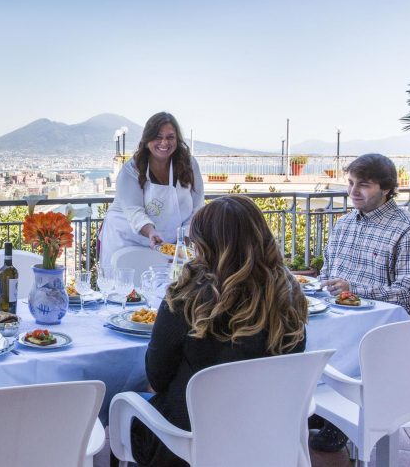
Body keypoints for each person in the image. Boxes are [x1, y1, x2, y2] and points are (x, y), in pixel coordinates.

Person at [129, 195, 307, 467]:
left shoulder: (185, 299)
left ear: (206, 245)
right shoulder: (288, 294)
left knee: (128, 405)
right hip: (265, 435)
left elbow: (158, 377)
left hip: (188, 441)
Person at [311, 153, 410, 453]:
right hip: (336, 318)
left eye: (363, 185)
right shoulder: (343, 225)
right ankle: (315, 403)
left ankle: (339, 417)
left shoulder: (409, 229)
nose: (353, 192)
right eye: (350, 183)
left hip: (379, 332)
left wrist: (356, 289)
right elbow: (327, 273)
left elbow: (409, 295)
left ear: (387, 187)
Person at [99, 112, 204, 269]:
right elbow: (134, 211)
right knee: (128, 289)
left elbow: (197, 206)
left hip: (169, 245)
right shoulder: (131, 169)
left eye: (170, 137)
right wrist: (150, 232)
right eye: (157, 137)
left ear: (177, 139)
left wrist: (186, 240)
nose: (164, 142)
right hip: (128, 239)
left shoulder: (189, 164)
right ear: (147, 139)